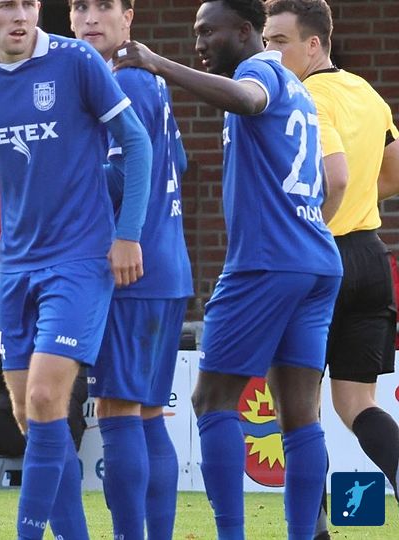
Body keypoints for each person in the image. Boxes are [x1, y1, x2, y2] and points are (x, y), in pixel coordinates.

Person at [113, 1, 343, 539]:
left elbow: (246, 99)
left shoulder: (260, 70)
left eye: (207, 32)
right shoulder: (300, 89)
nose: (198, 44)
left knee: (211, 400)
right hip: (316, 258)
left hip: (266, 261)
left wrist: (157, 63)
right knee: (299, 412)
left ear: (244, 32)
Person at [0, 1, 153, 537]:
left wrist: (127, 233)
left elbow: (136, 141)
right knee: (27, 413)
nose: (19, 15)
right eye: (6, 5)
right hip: (17, 264)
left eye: (28, 4)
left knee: (45, 398)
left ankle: (28, 532)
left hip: (80, 258)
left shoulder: (75, 60)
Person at [263, 1, 399, 532]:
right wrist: (360, 200)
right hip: (371, 256)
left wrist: (314, 223)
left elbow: (333, 177)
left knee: (299, 407)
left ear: (314, 44)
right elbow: (393, 173)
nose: (270, 53)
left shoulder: (304, 97)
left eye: (280, 42)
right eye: (267, 41)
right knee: (357, 402)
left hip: (318, 256)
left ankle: (313, 528)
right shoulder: (366, 92)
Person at [71, 1, 192, 539]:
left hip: (131, 268)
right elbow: (178, 162)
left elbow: (120, 175)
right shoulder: (150, 82)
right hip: (168, 266)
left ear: (129, 16)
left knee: (118, 411)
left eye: (105, 6)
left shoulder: (123, 81)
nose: (91, 17)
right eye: (80, 6)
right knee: (145, 413)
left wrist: (65, 173)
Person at [0, 333, 87, 489]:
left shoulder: (65, 338)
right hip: (10, 428)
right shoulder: (10, 336)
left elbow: (80, 390)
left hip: (50, 428)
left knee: (68, 404)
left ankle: (57, 483)